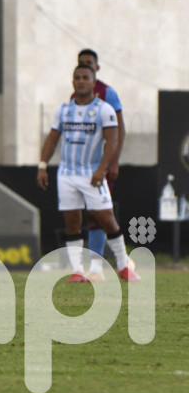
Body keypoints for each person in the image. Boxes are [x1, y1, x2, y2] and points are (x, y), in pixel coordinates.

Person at [37, 64, 139, 282]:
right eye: (77, 77)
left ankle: (123, 265)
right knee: (72, 221)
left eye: (85, 77)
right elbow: (53, 138)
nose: (81, 80)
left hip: (91, 173)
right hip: (66, 174)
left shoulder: (104, 109)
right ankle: (78, 271)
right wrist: (42, 165)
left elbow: (112, 140)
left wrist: (102, 168)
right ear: (73, 82)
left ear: (94, 83)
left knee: (106, 218)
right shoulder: (63, 110)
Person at [73, 48, 126, 281]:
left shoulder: (108, 93)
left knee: (101, 213)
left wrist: (113, 161)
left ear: (97, 67)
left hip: (101, 164)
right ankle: (94, 267)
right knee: (89, 214)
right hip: (81, 165)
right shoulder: (75, 97)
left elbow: (119, 129)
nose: (86, 66)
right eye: (82, 64)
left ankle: (103, 265)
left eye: (90, 64)